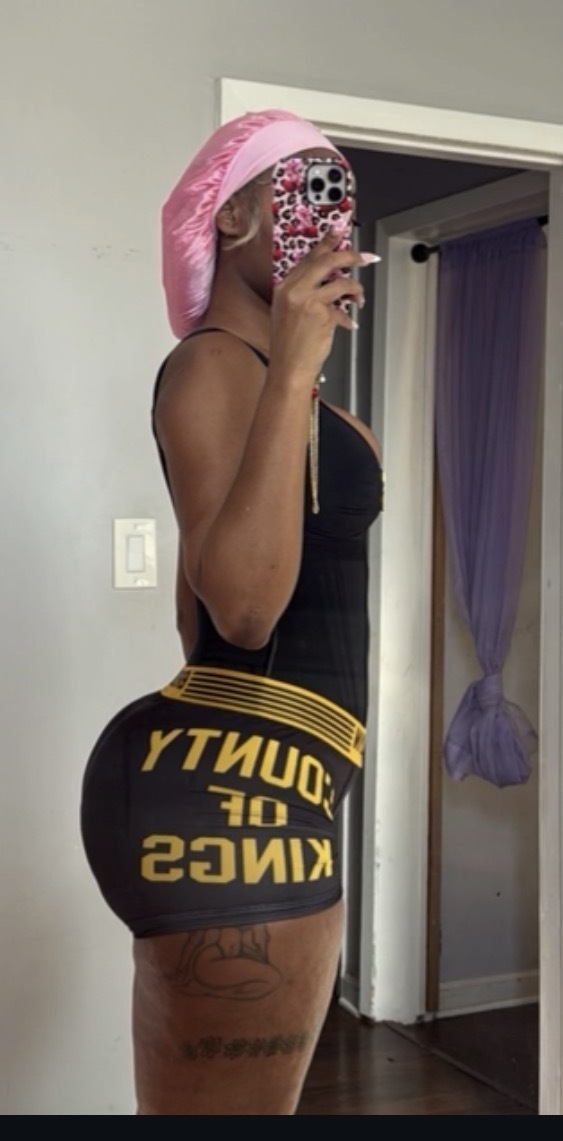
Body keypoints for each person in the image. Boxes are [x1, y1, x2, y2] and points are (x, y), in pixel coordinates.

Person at [80, 109, 383, 1115]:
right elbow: (244, 612)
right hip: (238, 796)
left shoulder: (280, 389)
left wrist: (299, 377)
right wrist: (294, 366)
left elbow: (195, 607)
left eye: (342, 202)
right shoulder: (214, 365)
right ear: (234, 216)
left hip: (281, 776)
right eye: (310, 193)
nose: (331, 223)